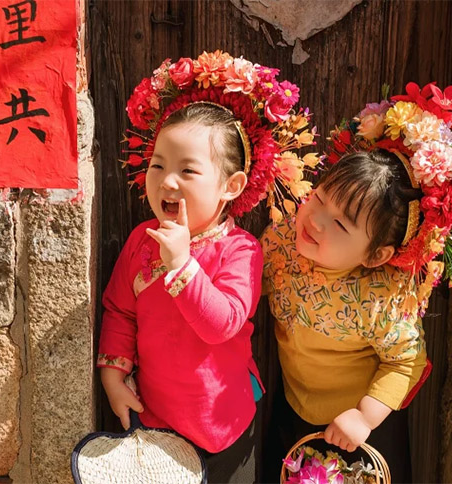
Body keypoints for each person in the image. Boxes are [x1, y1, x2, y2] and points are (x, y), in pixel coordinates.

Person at [261, 82, 452, 482]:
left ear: (375, 256)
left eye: (340, 223)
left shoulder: (380, 296)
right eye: (319, 197)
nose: (316, 220)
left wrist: (364, 415)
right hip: (294, 406)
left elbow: (406, 360)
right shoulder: (284, 241)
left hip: (361, 427)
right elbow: (245, 282)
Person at [96, 51, 318, 483]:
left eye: (188, 170)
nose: (167, 180)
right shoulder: (143, 241)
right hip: (156, 420)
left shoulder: (241, 250)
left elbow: (223, 323)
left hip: (224, 427)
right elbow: (120, 310)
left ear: (229, 187)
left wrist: (181, 266)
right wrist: (112, 373)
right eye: (158, 165)